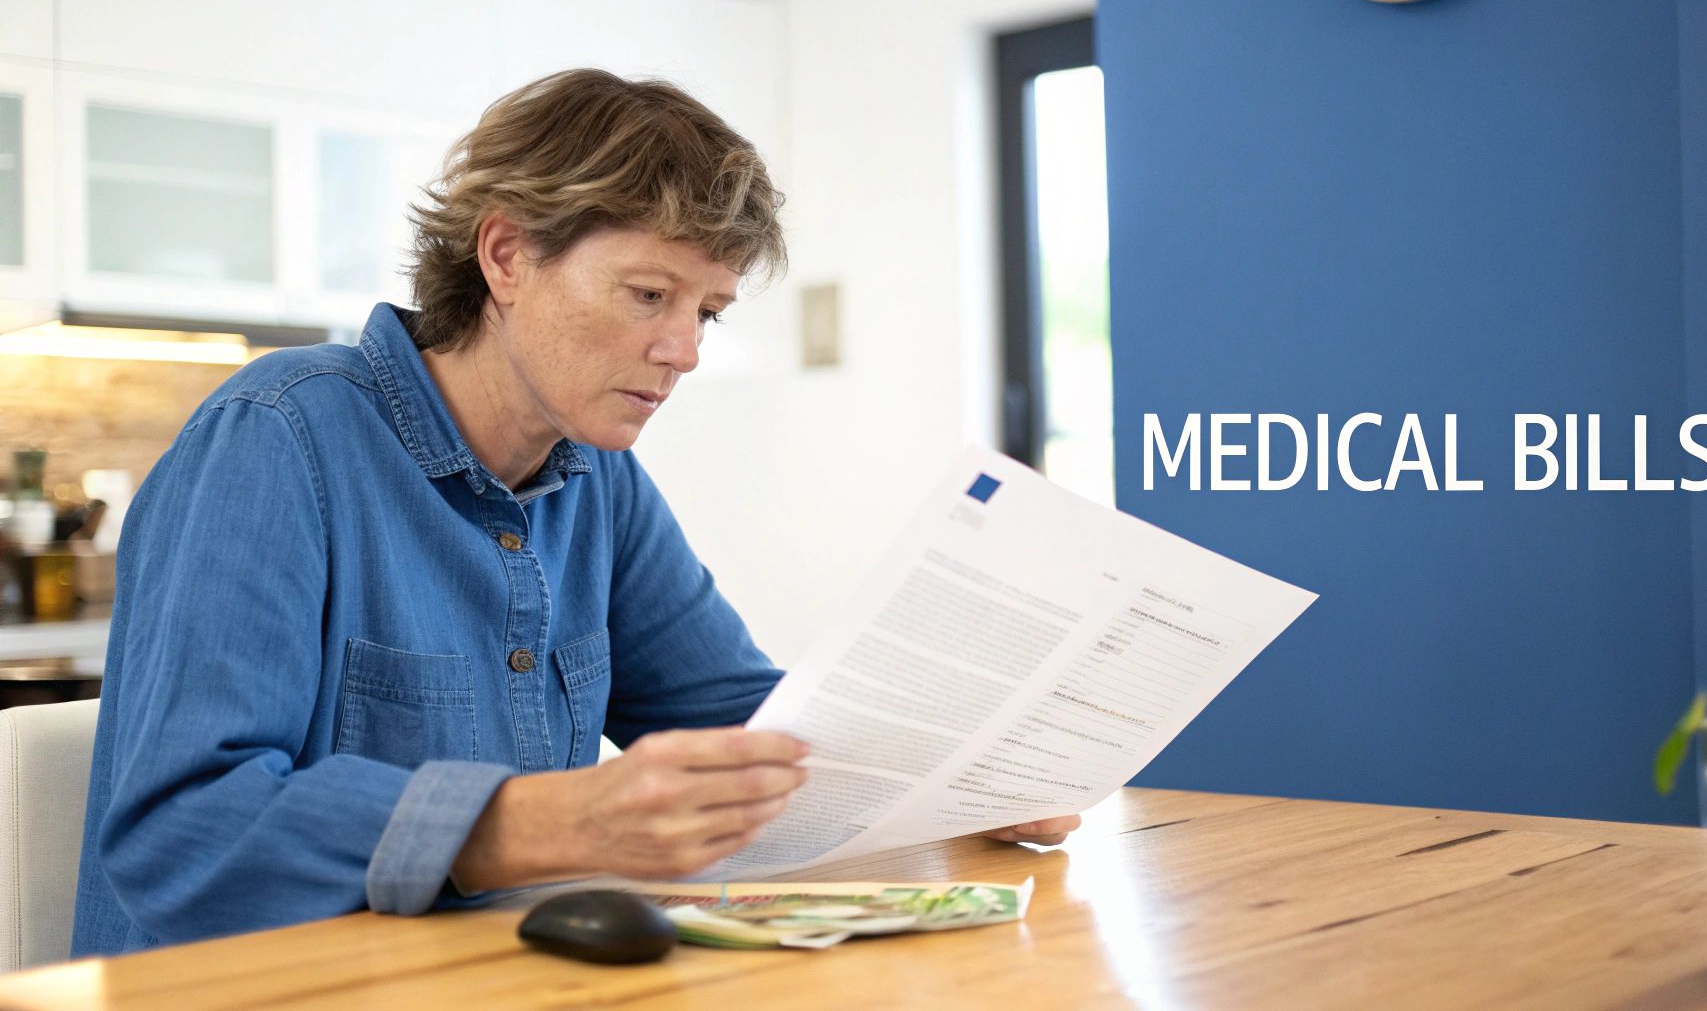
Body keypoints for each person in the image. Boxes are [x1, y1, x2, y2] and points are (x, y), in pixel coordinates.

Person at [70, 69, 1079, 957]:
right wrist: (532, 823)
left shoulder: (595, 476)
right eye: (648, 294)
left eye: (707, 312)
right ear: (505, 256)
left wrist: (959, 776)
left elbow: (746, 723)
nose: (684, 349)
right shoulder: (278, 437)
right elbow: (180, 836)